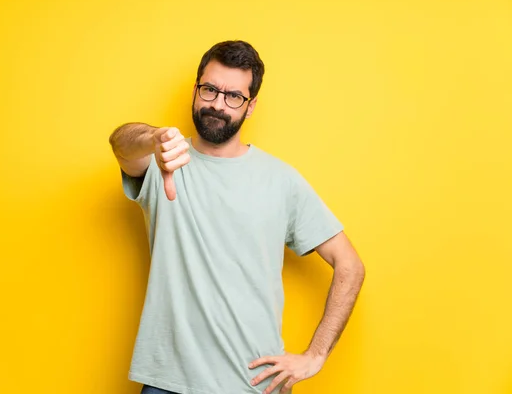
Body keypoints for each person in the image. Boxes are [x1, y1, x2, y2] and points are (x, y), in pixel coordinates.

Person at [110, 40, 365, 394]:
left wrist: (315, 355)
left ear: (251, 106)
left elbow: (350, 265)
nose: (217, 104)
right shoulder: (161, 160)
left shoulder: (281, 180)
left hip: (253, 386)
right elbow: (121, 144)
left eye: (234, 96)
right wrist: (155, 138)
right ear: (196, 88)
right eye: (210, 89)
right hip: (169, 384)